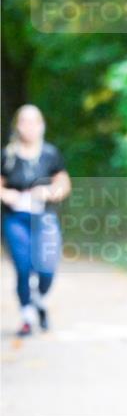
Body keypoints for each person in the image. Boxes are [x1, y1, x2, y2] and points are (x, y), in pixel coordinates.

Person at [1, 105, 71, 336]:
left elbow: (63, 184)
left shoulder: (50, 153)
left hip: (44, 217)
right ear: (17, 126)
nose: (29, 127)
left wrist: (50, 192)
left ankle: (39, 300)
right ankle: (27, 316)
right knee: (23, 267)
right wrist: (7, 195)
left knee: (47, 268)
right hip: (15, 218)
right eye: (24, 121)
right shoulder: (7, 156)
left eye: (34, 122)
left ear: (42, 125)